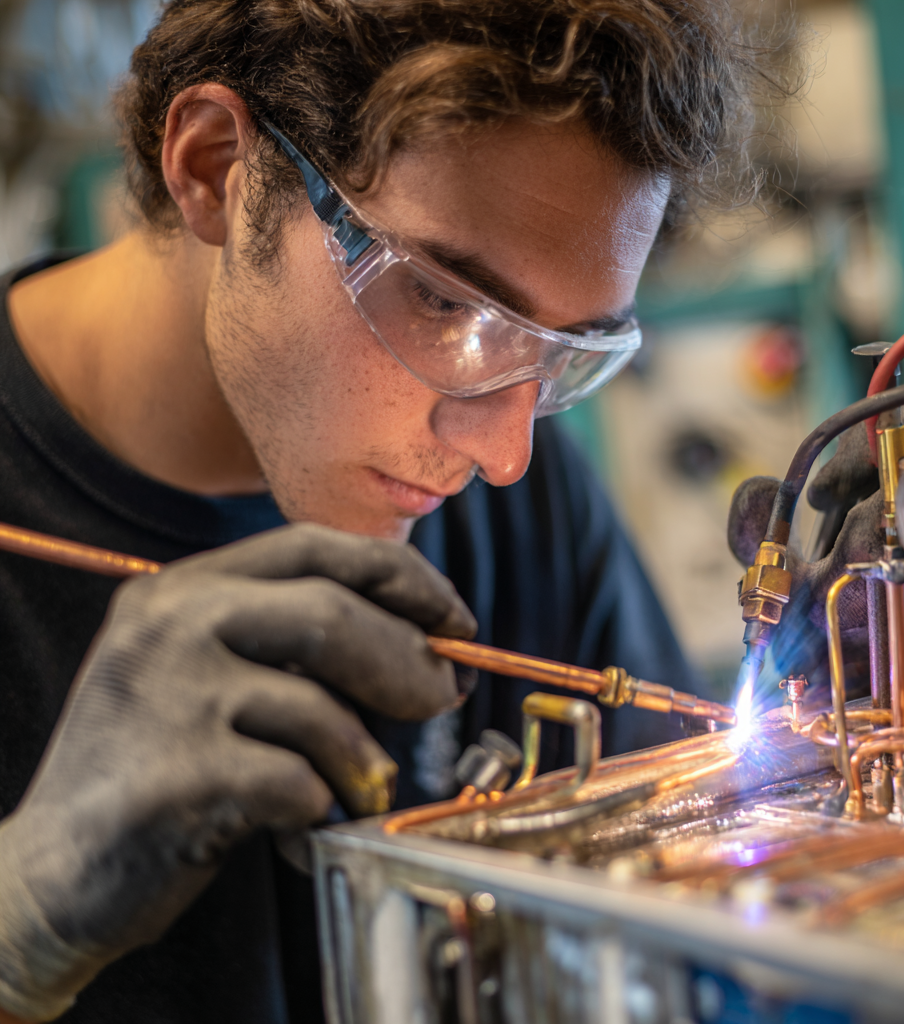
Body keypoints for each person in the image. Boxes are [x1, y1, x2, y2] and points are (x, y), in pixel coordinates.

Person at [0, 2, 797, 1021]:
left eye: (567, 354)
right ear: (214, 167)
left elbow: (707, 914)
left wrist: (824, 723)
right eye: (445, 303)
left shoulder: (528, 496)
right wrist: (18, 924)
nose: (502, 454)